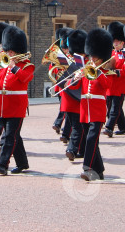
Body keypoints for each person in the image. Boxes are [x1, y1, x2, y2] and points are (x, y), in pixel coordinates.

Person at [0, 25, 33, 175]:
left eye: (11, 51)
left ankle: (2, 165)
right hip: (3, 105)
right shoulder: (2, 65)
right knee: (14, 136)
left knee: (9, 136)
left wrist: (14, 67)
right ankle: (22, 163)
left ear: (18, 51)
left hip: (17, 106)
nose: (8, 53)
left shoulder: (27, 65)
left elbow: (25, 78)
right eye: (7, 51)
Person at [78, 28, 115, 181]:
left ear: (102, 58)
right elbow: (74, 87)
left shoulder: (106, 71)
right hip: (85, 110)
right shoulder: (86, 68)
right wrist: (75, 76)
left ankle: (88, 168)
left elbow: (107, 85)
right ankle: (99, 171)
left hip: (97, 110)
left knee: (91, 140)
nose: (92, 60)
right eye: (91, 57)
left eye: (95, 58)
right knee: (91, 141)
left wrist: (98, 72)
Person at [63, 30, 88, 162]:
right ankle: (82, 150)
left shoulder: (89, 63)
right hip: (70, 97)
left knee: (78, 126)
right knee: (77, 125)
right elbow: (64, 80)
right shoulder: (69, 62)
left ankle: (72, 149)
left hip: (81, 98)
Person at [103, 21, 125, 137]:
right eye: (114, 42)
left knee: (115, 109)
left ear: (122, 42)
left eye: (117, 42)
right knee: (112, 108)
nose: (115, 44)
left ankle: (109, 127)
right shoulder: (111, 53)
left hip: (119, 85)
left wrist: (117, 71)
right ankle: (123, 127)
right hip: (110, 84)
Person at [51, 27, 73, 138]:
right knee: (64, 107)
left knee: (65, 107)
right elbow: (53, 70)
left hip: (70, 85)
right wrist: (56, 65)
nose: (65, 50)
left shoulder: (72, 56)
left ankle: (59, 124)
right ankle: (64, 128)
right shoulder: (58, 56)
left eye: (66, 48)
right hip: (60, 86)